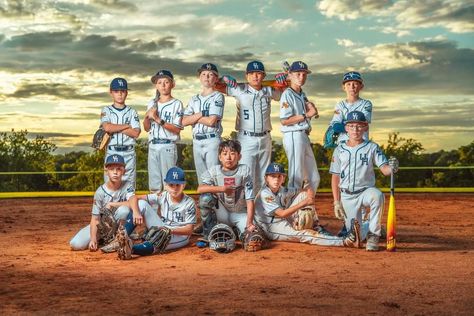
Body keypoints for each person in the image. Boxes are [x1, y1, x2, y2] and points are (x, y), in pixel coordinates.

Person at [330, 111, 399, 251]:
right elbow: (335, 176)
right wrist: (337, 201)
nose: (355, 129)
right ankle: (368, 226)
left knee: (377, 195)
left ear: (365, 128)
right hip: (347, 196)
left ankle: (374, 234)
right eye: (352, 126)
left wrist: (392, 168)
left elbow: (384, 169)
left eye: (359, 126)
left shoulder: (372, 147)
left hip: (366, 191)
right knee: (356, 237)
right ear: (346, 128)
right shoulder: (339, 149)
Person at [254, 162, 360, 248]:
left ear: (283, 179)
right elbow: (282, 213)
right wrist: (305, 203)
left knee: (303, 195)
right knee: (305, 235)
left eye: (279, 176)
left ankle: (316, 226)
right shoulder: (265, 193)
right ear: (266, 178)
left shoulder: (282, 189)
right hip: (271, 227)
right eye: (273, 176)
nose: (276, 179)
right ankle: (344, 241)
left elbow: (304, 190)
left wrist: (308, 191)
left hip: (282, 219)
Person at [217, 60, 284, 192]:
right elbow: (214, 86)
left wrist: (282, 81)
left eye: (258, 73)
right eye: (252, 73)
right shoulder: (239, 89)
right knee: (246, 175)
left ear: (263, 76)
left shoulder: (269, 91)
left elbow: (285, 92)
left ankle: (262, 209)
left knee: (264, 176)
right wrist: (222, 78)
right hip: (246, 138)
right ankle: (246, 209)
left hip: (265, 138)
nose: (255, 76)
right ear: (246, 76)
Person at [116, 167, 197, 259]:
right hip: (163, 227)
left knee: (160, 237)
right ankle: (122, 236)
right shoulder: (162, 195)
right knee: (141, 204)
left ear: (184, 185)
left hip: (180, 236)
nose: (175, 188)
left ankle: (130, 249)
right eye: (171, 185)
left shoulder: (189, 203)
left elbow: (189, 230)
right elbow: (134, 198)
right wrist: (136, 212)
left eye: (178, 185)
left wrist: (170, 231)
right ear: (166, 185)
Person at [69, 154, 138, 251]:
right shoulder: (100, 192)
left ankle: (120, 238)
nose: (115, 172)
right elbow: (95, 219)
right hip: (102, 226)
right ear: (106, 172)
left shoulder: (127, 185)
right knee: (75, 244)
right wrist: (93, 239)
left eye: (118, 169)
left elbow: (133, 201)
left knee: (124, 210)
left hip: (119, 224)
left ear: (124, 171)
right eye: (111, 169)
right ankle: (103, 239)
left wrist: (112, 204)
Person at [197, 139, 256, 245]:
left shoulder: (244, 171)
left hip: (240, 213)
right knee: (205, 198)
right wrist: (222, 189)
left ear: (239, 156)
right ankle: (207, 234)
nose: (228, 157)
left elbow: (250, 200)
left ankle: (236, 230)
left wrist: (249, 223)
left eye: (232, 153)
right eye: (225, 154)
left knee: (251, 236)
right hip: (221, 213)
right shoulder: (214, 171)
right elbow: (200, 189)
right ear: (220, 157)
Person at [280, 61, 320, 191]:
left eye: (304, 74)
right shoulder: (287, 94)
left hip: (303, 135)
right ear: (290, 75)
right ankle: (292, 209)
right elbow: (285, 120)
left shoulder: (301, 94)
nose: (301, 77)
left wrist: (310, 107)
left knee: (314, 178)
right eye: (298, 74)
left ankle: (304, 206)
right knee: (296, 177)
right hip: (293, 134)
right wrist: (307, 115)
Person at [182, 63, 225, 184]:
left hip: (212, 140)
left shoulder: (218, 96)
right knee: (202, 180)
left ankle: (218, 203)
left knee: (214, 179)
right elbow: (183, 121)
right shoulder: (194, 99)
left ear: (216, 79)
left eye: (211, 75)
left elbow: (211, 121)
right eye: (204, 74)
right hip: (196, 141)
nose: (207, 77)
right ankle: (206, 203)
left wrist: (193, 117)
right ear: (199, 77)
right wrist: (201, 113)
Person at [143, 70, 183, 193]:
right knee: (154, 185)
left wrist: (157, 118)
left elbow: (177, 129)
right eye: (159, 82)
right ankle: (155, 211)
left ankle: (168, 211)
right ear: (156, 85)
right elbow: (146, 128)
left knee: (169, 183)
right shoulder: (152, 102)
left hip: (167, 145)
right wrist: (147, 117)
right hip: (153, 144)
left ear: (172, 84)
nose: (163, 85)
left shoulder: (177, 103)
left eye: (166, 82)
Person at [100, 78, 140, 188]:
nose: (120, 94)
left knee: (129, 189)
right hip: (112, 152)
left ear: (126, 93)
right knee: (111, 188)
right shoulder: (106, 110)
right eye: (116, 91)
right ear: (111, 92)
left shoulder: (132, 112)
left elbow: (136, 133)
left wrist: (115, 127)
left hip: (128, 153)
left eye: (122, 91)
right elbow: (107, 127)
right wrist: (127, 126)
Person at [325, 71, 372, 147]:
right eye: (348, 84)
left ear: (361, 86)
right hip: (343, 143)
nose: (352, 87)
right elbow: (335, 125)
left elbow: (363, 124)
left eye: (355, 84)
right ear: (344, 87)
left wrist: (344, 123)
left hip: (362, 144)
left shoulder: (366, 104)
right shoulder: (339, 105)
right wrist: (354, 124)